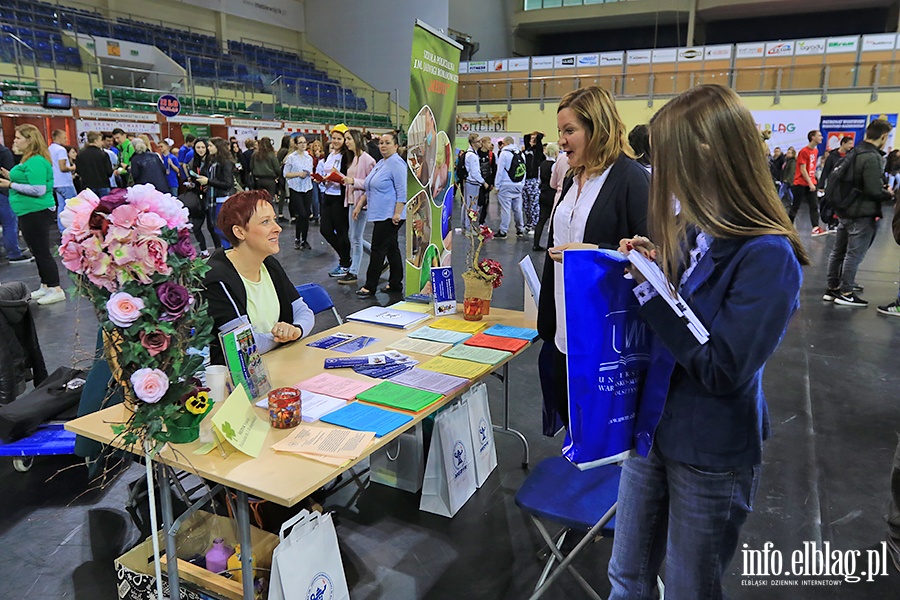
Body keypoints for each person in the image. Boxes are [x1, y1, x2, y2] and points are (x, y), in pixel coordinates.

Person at [609, 84, 808, 600]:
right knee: (626, 575)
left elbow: (723, 367)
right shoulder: (697, 230)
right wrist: (654, 264)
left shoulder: (768, 256)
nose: (661, 172)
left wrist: (652, 298)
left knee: (688, 588)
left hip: (710, 449)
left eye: (668, 158)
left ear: (707, 155)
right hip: (654, 430)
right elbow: (686, 306)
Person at [538, 85, 649, 430]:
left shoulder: (631, 179)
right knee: (574, 422)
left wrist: (595, 254)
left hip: (605, 334)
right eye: (560, 132)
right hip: (564, 327)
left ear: (597, 129)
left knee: (602, 432)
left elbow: (650, 254)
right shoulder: (575, 177)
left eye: (570, 131)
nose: (562, 140)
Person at [202, 190, 315, 365]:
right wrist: (283, 336)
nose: (277, 228)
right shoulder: (217, 279)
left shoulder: (269, 265)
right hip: (239, 382)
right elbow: (245, 345)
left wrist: (296, 330)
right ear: (239, 232)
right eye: (265, 222)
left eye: (274, 219)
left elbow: (303, 312)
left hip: (280, 365)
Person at [823, 119, 894, 307]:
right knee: (853, 254)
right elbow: (873, 190)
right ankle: (846, 291)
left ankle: (833, 287)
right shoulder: (872, 157)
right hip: (861, 213)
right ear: (884, 136)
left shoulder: (854, 152)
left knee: (838, 251)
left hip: (845, 209)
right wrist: (888, 193)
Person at [0, 125, 66, 304]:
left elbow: (38, 189)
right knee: (37, 251)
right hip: (28, 211)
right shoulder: (28, 160)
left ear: (29, 140)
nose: (14, 141)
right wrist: (10, 176)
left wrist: (10, 185)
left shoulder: (35, 160)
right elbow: (27, 180)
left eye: (18, 138)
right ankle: (46, 285)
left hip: (37, 211)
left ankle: (55, 287)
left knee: (42, 251)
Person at [355, 132, 407, 297]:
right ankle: (395, 284)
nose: (383, 146)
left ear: (396, 146)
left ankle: (370, 285)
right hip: (379, 213)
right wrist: (359, 205)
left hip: (390, 215)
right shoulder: (381, 162)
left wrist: (398, 212)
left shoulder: (397, 163)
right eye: (381, 143)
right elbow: (369, 186)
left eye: (387, 143)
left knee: (378, 249)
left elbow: (402, 190)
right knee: (392, 249)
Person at [340, 129, 376, 285]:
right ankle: (378, 258)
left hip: (361, 202)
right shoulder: (354, 158)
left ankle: (354, 271)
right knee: (355, 237)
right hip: (351, 200)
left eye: (348, 138)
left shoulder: (367, 160)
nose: (346, 142)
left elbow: (371, 183)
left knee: (355, 238)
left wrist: (353, 181)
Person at [320, 124, 353, 277]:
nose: (336, 141)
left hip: (341, 197)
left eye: (339, 139)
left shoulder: (347, 156)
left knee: (341, 231)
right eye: (334, 138)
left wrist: (337, 176)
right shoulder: (329, 154)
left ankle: (345, 263)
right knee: (325, 230)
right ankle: (345, 257)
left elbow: (348, 176)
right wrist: (322, 179)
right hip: (328, 194)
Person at [790, 129, 827, 236]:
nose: (821, 137)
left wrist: (813, 181)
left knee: (814, 205)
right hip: (800, 183)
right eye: (819, 136)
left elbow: (812, 167)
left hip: (811, 182)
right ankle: (787, 226)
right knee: (795, 206)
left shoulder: (815, 151)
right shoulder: (804, 151)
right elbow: (802, 169)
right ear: (813, 138)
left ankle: (815, 227)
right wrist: (810, 183)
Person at [0, 140, 32, 264]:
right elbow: (11, 173)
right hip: (3, 191)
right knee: (9, 223)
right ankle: (13, 253)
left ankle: (12, 247)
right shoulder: (4, 152)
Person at [202, 137, 237, 248]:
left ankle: (231, 249)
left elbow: (228, 183)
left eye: (210, 145)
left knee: (221, 228)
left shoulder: (225, 163)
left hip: (224, 199)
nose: (208, 148)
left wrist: (208, 181)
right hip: (216, 198)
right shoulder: (213, 162)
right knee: (218, 228)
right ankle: (227, 250)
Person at [283, 135, 314, 250]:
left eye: (304, 142)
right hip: (295, 188)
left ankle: (304, 240)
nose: (303, 145)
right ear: (296, 144)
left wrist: (311, 175)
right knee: (302, 214)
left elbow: (310, 171)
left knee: (306, 215)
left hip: (307, 187)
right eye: (300, 142)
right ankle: (297, 237)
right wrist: (298, 174)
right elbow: (285, 174)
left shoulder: (309, 158)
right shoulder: (291, 157)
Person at [818, 136, 854, 231]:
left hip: (844, 185)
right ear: (843, 143)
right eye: (849, 143)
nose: (851, 146)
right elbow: (826, 171)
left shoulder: (850, 156)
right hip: (833, 184)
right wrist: (821, 185)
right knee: (831, 203)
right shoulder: (832, 156)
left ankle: (838, 222)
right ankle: (830, 222)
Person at [188, 139, 217, 254]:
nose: (200, 150)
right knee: (196, 227)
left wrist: (209, 183)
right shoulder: (193, 162)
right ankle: (204, 251)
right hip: (197, 198)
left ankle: (218, 251)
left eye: (203, 147)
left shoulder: (212, 162)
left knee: (212, 227)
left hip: (210, 197)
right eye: (198, 147)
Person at [494, 135, 526, 238]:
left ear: (506, 143)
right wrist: (522, 184)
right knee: (517, 208)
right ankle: (520, 229)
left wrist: (497, 186)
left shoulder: (504, 153)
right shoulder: (521, 154)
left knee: (506, 209)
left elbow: (500, 171)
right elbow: (524, 170)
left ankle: (503, 231)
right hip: (518, 184)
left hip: (505, 184)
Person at [48, 129, 77, 231]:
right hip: (65, 182)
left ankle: (62, 229)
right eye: (64, 137)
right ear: (58, 137)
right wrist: (72, 168)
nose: (66, 139)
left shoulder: (49, 149)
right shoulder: (61, 150)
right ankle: (73, 228)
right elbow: (63, 167)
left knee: (61, 206)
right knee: (74, 205)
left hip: (55, 182)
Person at [75, 131, 114, 198]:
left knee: (90, 206)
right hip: (103, 184)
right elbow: (109, 172)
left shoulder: (80, 154)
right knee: (104, 206)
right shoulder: (103, 154)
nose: (102, 142)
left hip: (87, 186)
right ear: (96, 141)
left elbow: (78, 171)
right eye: (101, 140)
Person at [534, 142, 558, 251]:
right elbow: (554, 181)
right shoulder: (554, 165)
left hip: (542, 193)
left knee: (541, 220)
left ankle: (536, 243)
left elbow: (539, 179)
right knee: (553, 220)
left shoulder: (542, 164)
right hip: (551, 194)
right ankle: (552, 245)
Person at [462, 133, 487, 230]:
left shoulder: (473, 154)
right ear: (473, 143)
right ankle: (469, 227)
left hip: (471, 183)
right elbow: (474, 172)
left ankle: (466, 225)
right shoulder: (472, 156)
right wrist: (483, 182)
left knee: (468, 205)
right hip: (473, 183)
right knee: (471, 206)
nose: (480, 143)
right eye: (478, 141)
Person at [522, 131, 545, 231]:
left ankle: (534, 224)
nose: (532, 140)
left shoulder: (538, 152)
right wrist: (532, 133)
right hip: (524, 180)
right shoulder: (526, 151)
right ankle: (529, 222)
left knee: (534, 204)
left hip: (534, 180)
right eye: (531, 138)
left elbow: (538, 141)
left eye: (534, 139)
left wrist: (538, 136)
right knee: (526, 204)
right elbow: (526, 136)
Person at [251, 137, 280, 205]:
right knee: (269, 201)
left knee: (258, 200)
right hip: (270, 180)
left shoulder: (255, 154)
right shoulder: (271, 155)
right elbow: (277, 168)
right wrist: (277, 176)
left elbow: (251, 167)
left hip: (257, 180)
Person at [477, 136, 496, 226]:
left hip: (487, 182)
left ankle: (482, 221)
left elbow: (494, 169)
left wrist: (492, 183)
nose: (490, 144)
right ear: (483, 143)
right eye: (488, 143)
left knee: (485, 202)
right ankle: (473, 220)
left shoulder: (491, 155)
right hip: (478, 181)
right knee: (478, 201)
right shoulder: (476, 153)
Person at [309, 138, 325, 224]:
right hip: (314, 179)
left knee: (322, 197)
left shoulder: (324, 157)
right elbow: (313, 166)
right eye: (315, 146)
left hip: (322, 179)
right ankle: (316, 216)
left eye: (319, 146)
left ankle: (323, 215)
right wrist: (316, 158)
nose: (317, 147)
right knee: (315, 199)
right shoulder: (311, 157)